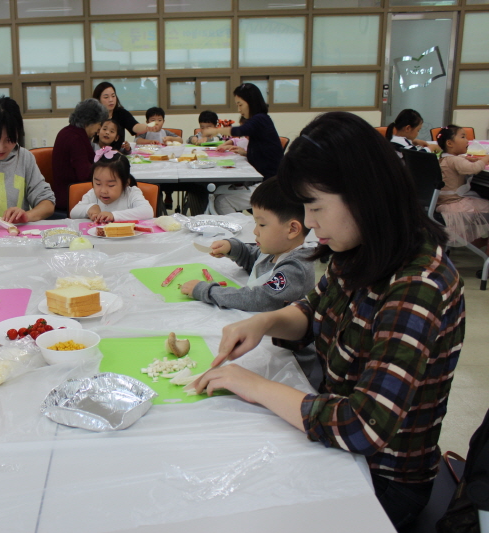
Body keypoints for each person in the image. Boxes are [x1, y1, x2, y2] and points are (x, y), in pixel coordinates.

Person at [194, 112, 465, 530]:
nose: (311, 222)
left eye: (316, 207)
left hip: (384, 478)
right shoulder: (357, 248)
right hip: (339, 445)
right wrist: (264, 324)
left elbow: (362, 425)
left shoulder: (418, 285)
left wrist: (255, 386)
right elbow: (315, 311)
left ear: (362, 194)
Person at [179, 177, 315, 311]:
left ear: (292, 230)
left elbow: (258, 299)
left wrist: (207, 291)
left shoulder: (295, 269)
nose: (255, 231)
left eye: (262, 224)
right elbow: (255, 259)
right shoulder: (277, 250)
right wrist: (233, 248)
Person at [201, 83, 283, 178]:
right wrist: (246, 153)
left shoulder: (260, 118)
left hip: (270, 178)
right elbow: (261, 151)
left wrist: (215, 131)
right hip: (262, 173)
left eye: (240, 105)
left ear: (251, 102)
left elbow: (240, 130)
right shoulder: (259, 119)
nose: (239, 110)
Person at [435, 124, 489, 249]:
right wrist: (486, 158)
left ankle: (480, 246)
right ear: (450, 143)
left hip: (443, 204)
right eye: (463, 137)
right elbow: (473, 169)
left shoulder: (444, 159)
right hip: (456, 205)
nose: (467, 141)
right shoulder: (455, 161)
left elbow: (462, 164)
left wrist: (471, 160)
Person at [51, 98, 108, 213]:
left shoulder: (68, 132)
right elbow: (85, 174)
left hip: (64, 192)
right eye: (99, 123)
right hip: (70, 198)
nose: (99, 129)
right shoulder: (76, 139)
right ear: (89, 121)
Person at [70, 148, 154, 222]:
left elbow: (147, 211)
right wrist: (88, 208)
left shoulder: (131, 193)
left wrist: (113, 215)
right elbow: (73, 213)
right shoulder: (92, 194)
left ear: (126, 183)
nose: (103, 191)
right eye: (98, 184)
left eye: (111, 185)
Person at [92, 82, 158, 146]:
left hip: (118, 153)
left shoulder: (121, 113)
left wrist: (147, 127)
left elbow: (135, 126)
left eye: (113, 96)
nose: (111, 100)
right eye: (106, 97)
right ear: (98, 99)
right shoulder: (93, 116)